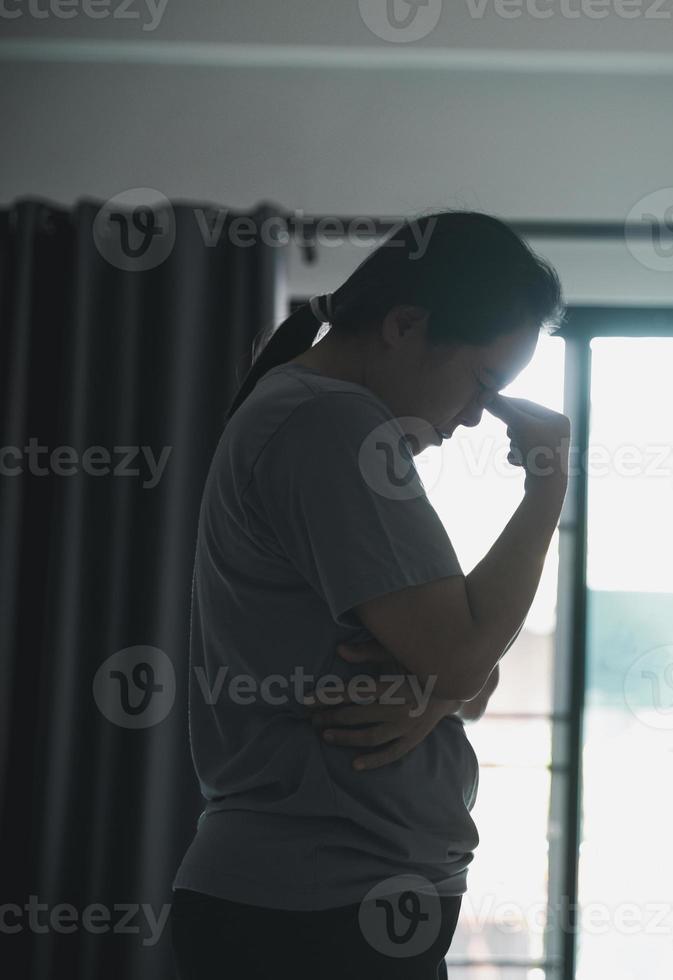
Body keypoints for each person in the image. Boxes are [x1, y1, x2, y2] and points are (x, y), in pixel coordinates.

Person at [169, 212, 567, 979]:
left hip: (325, 911)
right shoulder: (332, 425)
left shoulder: (318, 416)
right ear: (405, 325)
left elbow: (468, 674)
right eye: (481, 381)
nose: (477, 417)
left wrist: (439, 690)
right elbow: (460, 658)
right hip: (313, 918)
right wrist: (546, 488)